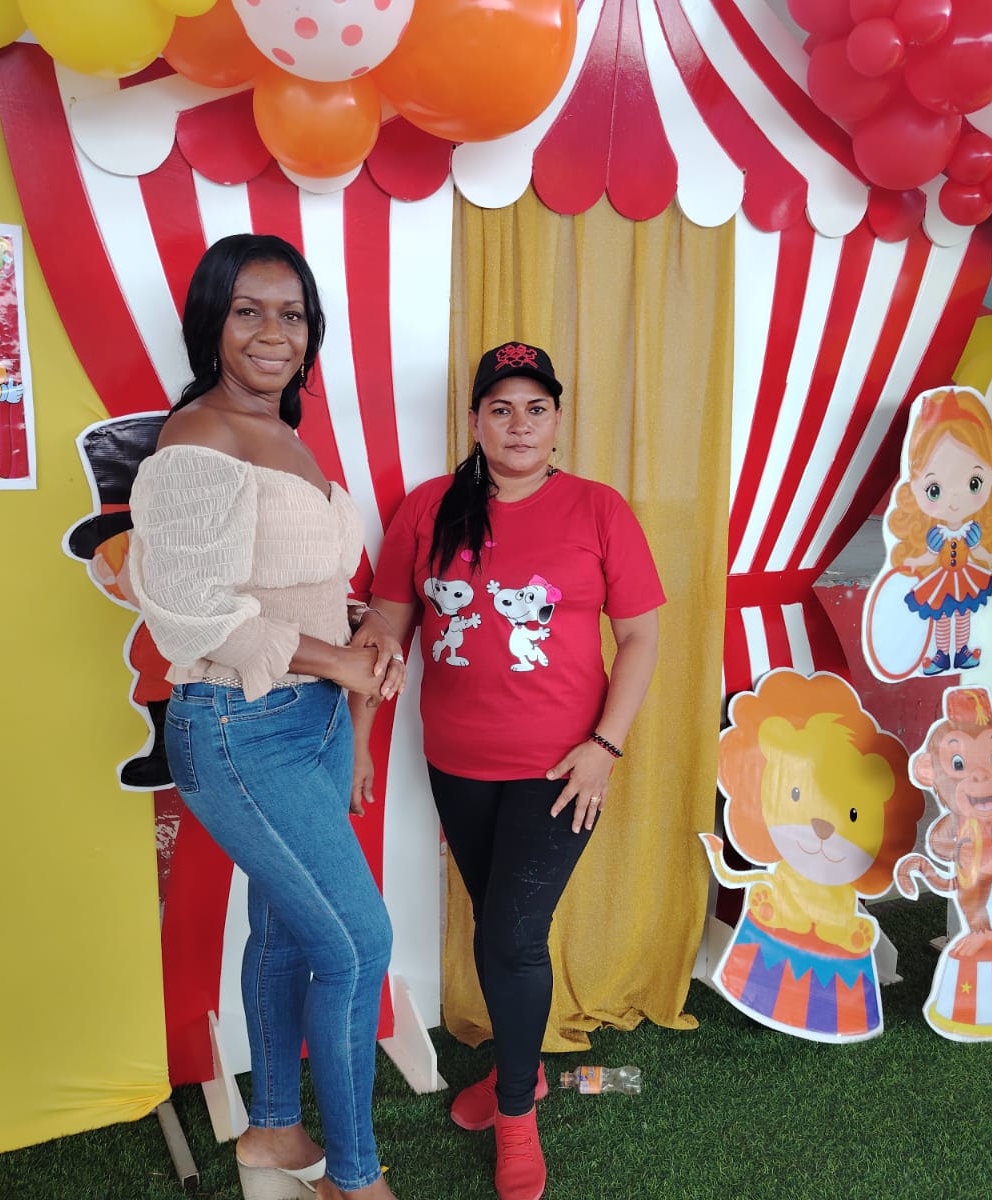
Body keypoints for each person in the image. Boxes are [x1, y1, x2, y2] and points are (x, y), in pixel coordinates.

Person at [127, 233, 404, 1200]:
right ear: (213, 322)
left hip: (312, 719)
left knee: (289, 931)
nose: (273, 333)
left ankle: (275, 1134)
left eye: (292, 315)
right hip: (240, 728)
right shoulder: (197, 439)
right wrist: (338, 660)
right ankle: (355, 1182)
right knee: (358, 945)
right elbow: (187, 609)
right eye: (249, 311)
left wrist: (360, 631)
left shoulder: (282, 431)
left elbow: (290, 581)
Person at [357, 342, 664, 1200]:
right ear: (474, 422)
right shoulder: (429, 510)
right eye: (501, 409)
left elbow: (640, 637)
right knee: (495, 921)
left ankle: (518, 1113)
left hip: (563, 768)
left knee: (513, 936)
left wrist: (604, 748)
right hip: (457, 762)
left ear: (557, 420)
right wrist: (355, 743)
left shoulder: (599, 509)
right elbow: (383, 634)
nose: (519, 424)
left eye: (535, 408)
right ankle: (513, 1069)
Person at [886, 387, 992, 676]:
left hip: (967, 576)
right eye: (934, 489)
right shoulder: (934, 535)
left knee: (964, 614)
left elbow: (982, 555)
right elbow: (928, 558)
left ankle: (962, 651)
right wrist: (915, 560)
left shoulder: (973, 529)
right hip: (942, 578)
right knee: (943, 616)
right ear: (914, 485)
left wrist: (985, 555)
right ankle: (943, 654)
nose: (955, 499)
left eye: (974, 484)